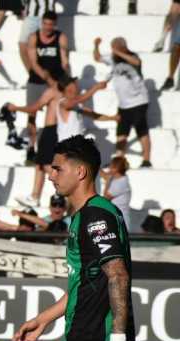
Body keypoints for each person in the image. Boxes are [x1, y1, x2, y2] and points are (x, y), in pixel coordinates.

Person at [12, 135, 154, 341]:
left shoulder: (95, 215)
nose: (50, 176)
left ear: (80, 172)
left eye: (56, 169)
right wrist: (44, 319)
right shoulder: (88, 215)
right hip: (99, 339)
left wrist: (117, 340)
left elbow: (117, 275)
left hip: (90, 339)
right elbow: (86, 282)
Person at [8, 76, 114, 208]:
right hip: (68, 150)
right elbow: (76, 100)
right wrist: (95, 88)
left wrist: (113, 118)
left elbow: (93, 114)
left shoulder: (76, 104)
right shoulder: (63, 102)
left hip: (77, 148)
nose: (77, 87)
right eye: (74, 85)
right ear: (68, 88)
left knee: (76, 178)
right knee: (58, 173)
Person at [95, 37, 152, 168]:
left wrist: (118, 52)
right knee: (121, 133)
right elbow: (97, 57)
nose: (113, 51)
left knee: (141, 130)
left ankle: (146, 160)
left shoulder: (132, 57)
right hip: (123, 105)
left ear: (123, 47)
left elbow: (137, 62)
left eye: (115, 48)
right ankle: (119, 161)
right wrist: (96, 45)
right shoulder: (113, 59)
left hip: (138, 102)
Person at [24, 11, 68, 150]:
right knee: (32, 114)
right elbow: (33, 63)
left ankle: (50, 147)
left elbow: (64, 61)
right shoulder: (33, 37)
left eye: (51, 24)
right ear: (41, 23)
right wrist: (47, 78)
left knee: (54, 116)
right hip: (37, 80)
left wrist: (64, 81)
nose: (48, 27)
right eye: (45, 24)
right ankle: (31, 146)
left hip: (55, 81)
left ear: (55, 25)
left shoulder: (61, 37)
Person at [101, 156, 132, 232]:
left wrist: (107, 183)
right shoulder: (119, 178)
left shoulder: (121, 183)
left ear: (116, 169)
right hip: (114, 219)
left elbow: (105, 198)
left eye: (111, 166)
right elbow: (104, 175)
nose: (109, 168)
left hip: (120, 222)